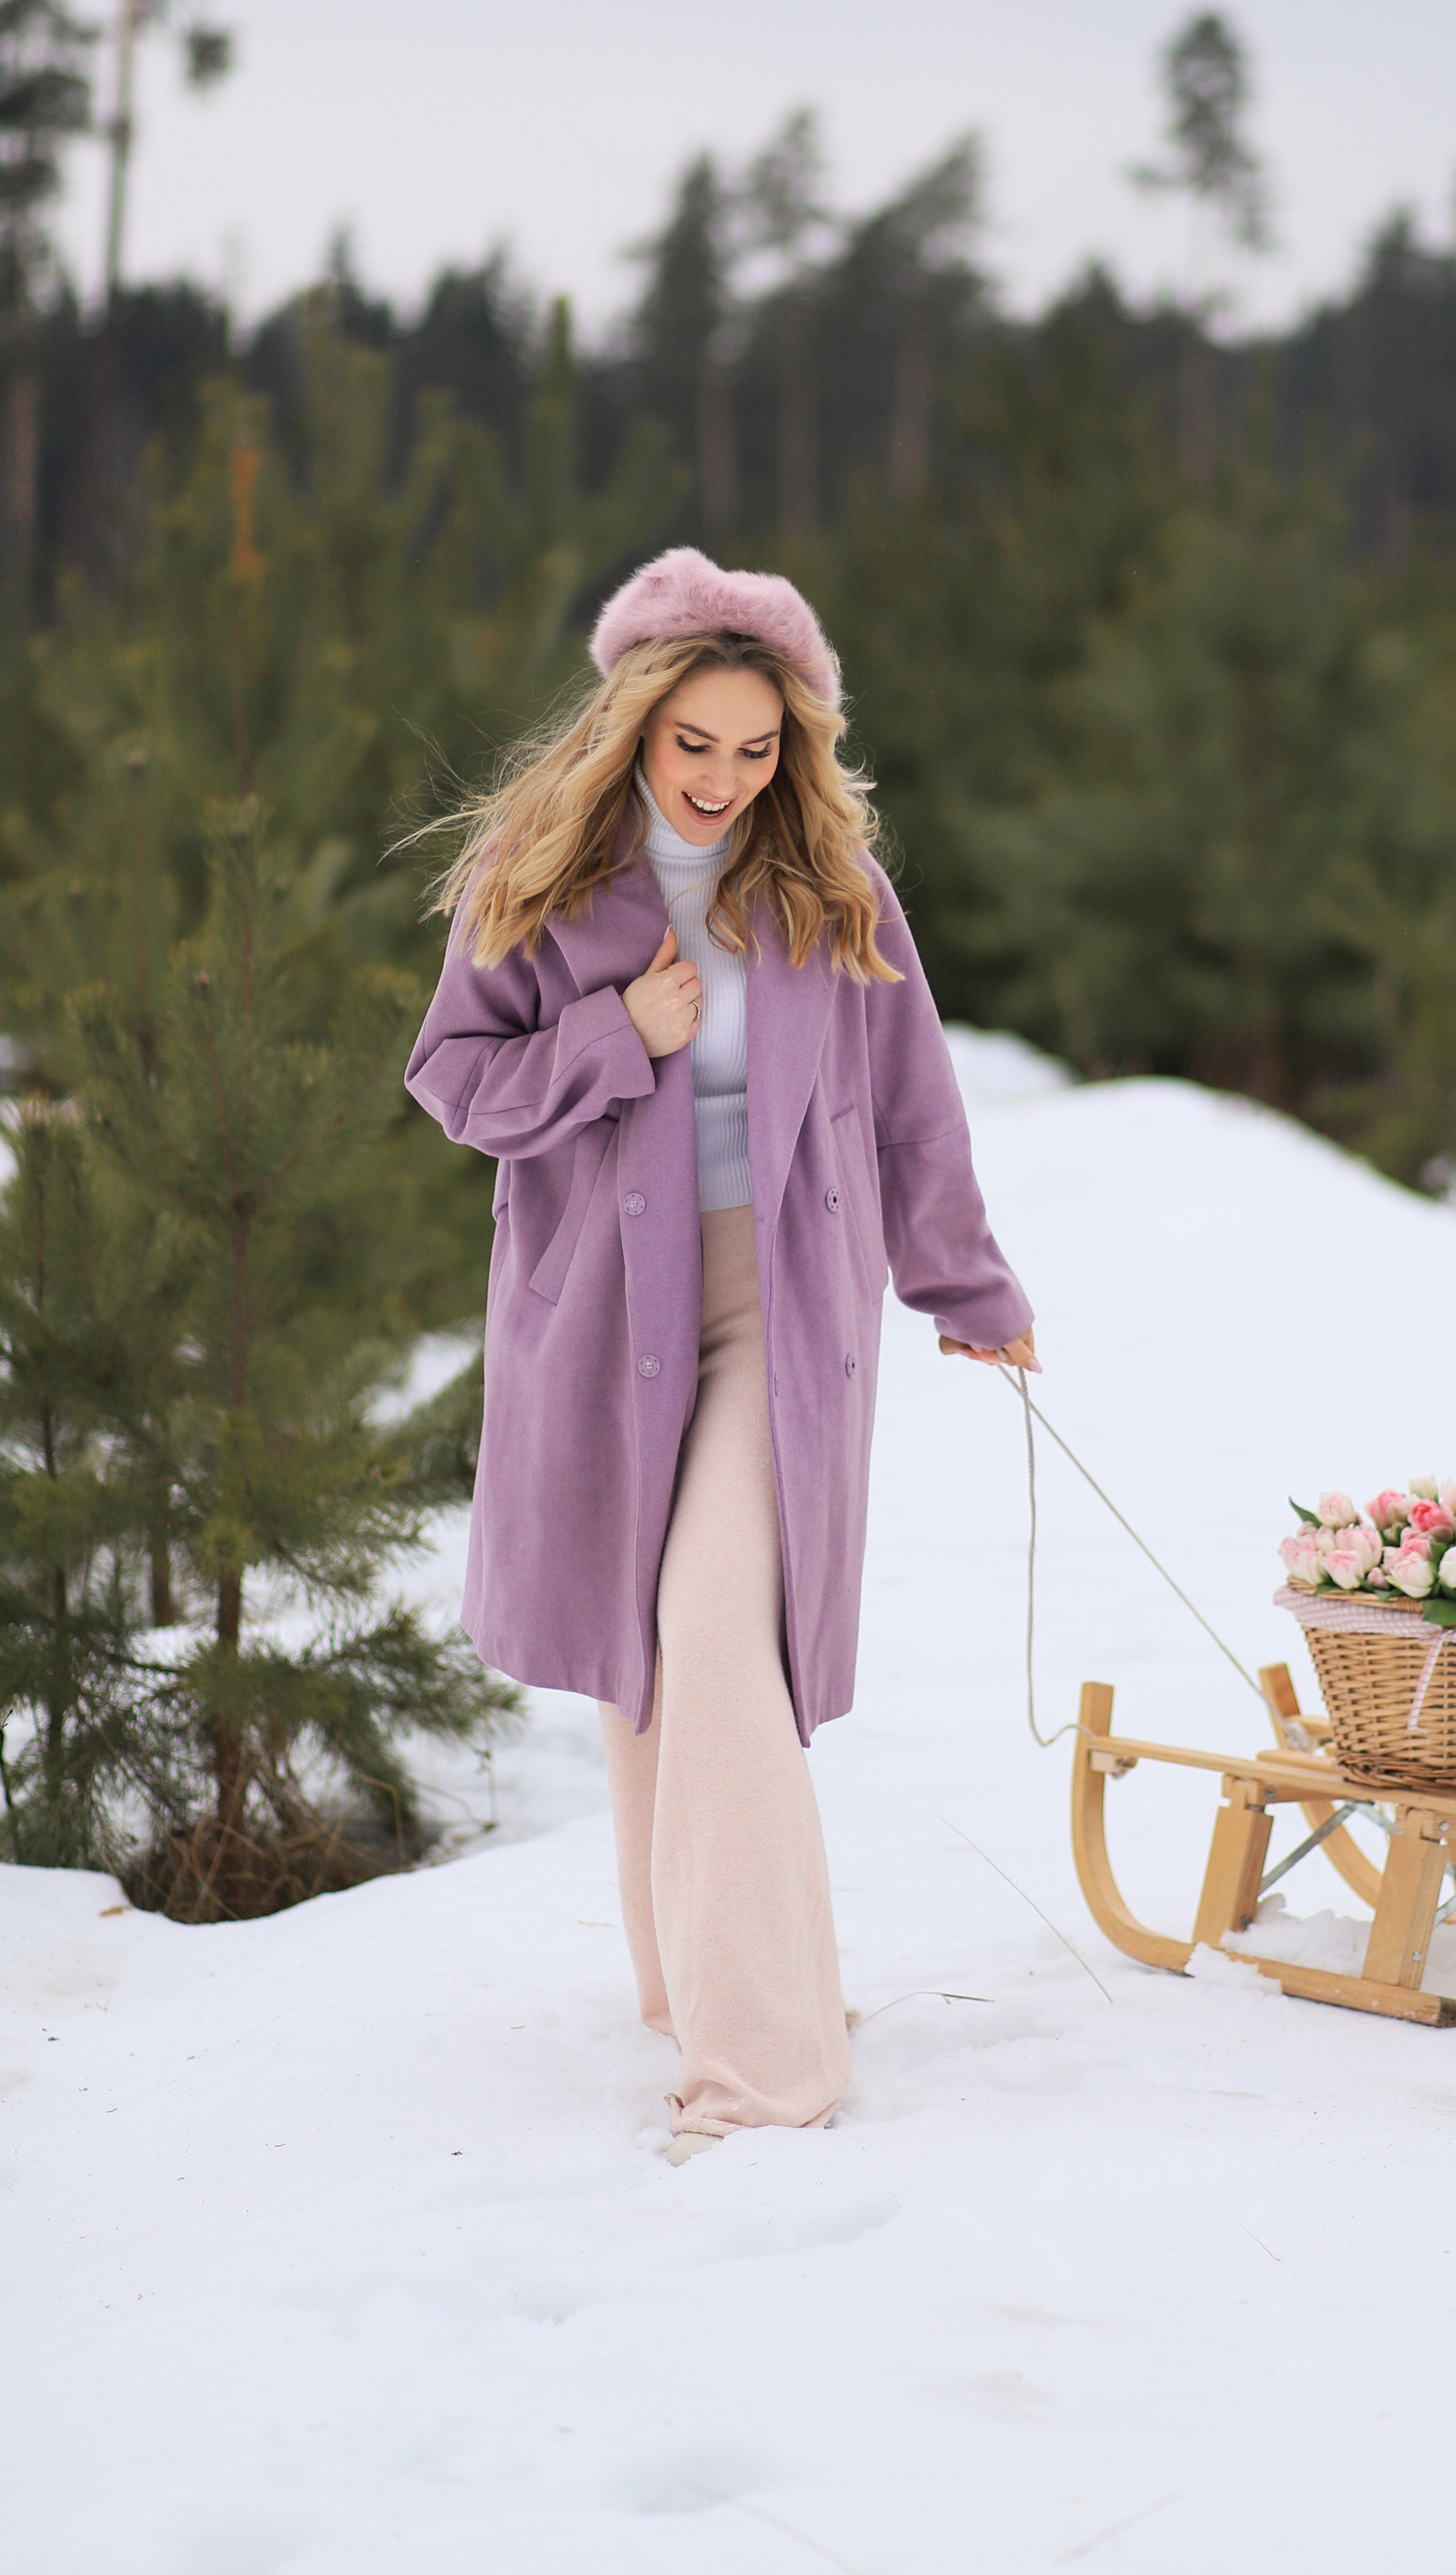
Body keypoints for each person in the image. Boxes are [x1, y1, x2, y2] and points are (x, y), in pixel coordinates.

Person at [405, 547, 1035, 2156]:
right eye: (696, 744)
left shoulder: (829, 886)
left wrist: (964, 1286)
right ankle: (699, 1987)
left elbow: (912, 1103)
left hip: (781, 1305)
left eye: (757, 751)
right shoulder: (534, 872)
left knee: (710, 1623)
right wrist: (621, 1036)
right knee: (643, 1651)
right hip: (599, 1313)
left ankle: (765, 2071)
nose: (723, 780)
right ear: (634, 722)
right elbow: (456, 1082)